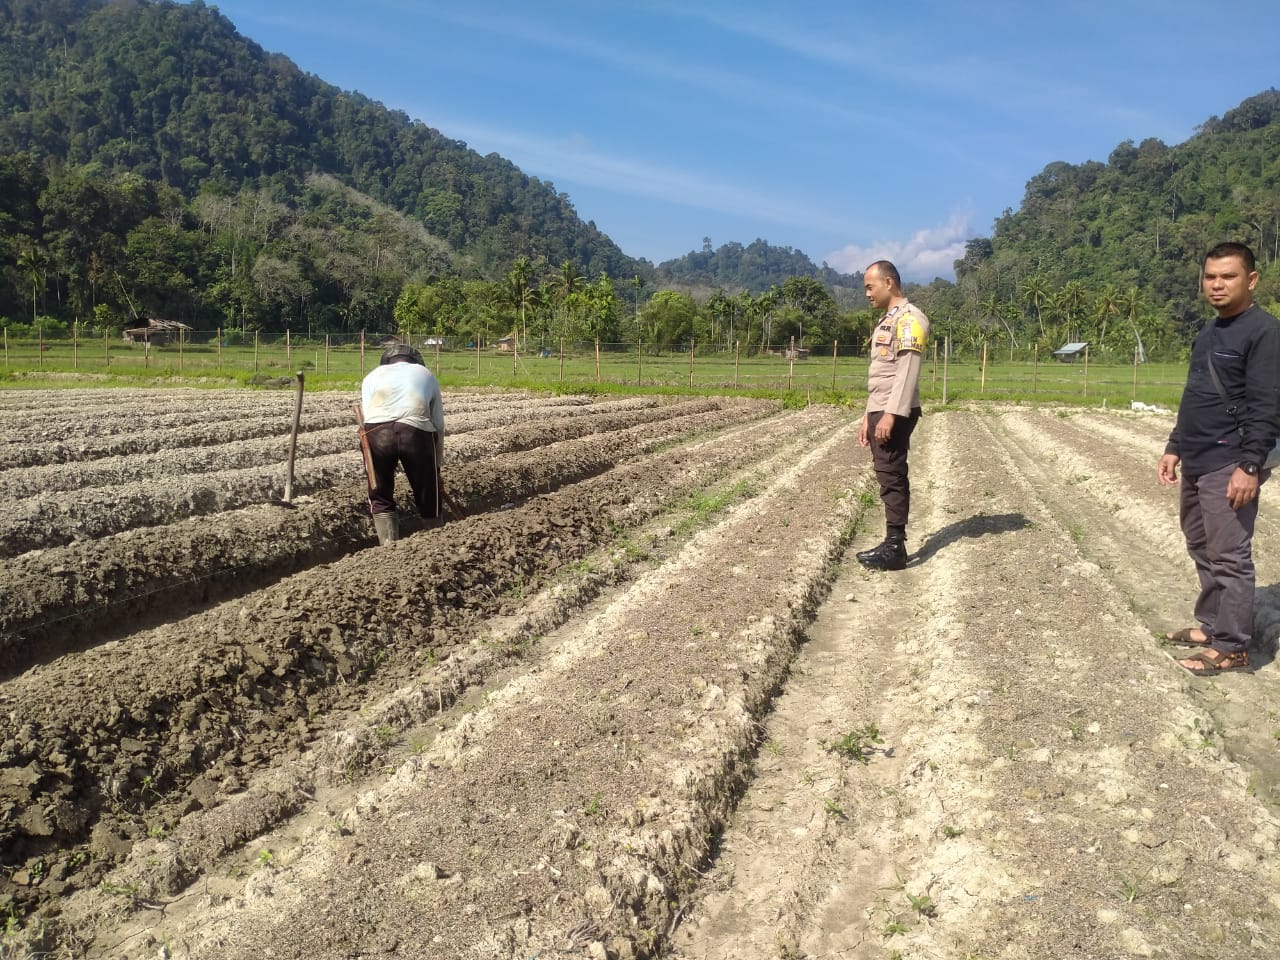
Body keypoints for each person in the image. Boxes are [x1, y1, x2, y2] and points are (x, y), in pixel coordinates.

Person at [1159, 242, 1280, 674]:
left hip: (1230, 462)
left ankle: (1232, 647)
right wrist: (1175, 445)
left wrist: (1250, 465)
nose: (1216, 284)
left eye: (1227, 277)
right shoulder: (1208, 333)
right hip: (1196, 456)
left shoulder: (1264, 332)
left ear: (1250, 281)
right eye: (1210, 276)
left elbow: (1268, 405)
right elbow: (1195, 396)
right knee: (1200, 544)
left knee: (1229, 554)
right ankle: (1213, 625)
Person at [856, 260, 930, 571]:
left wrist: (889, 415)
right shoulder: (889, 320)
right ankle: (892, 540)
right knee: (887, 473)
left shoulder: (911, 319)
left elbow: (907, 370)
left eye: (870, 287)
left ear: (889, 283)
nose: (867, 294)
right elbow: (881, 374)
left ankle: (895, 546)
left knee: (892, 474)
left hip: (893, 410)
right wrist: (868, 415)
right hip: (881, 407)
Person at [359, 341, 446, 544]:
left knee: (379, 492)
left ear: (387, 361)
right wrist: (437, 466)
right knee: (427, 490)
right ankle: (435, 540)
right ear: (414, 360)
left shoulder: (371, 376)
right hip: (415, 432)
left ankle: (388, 546)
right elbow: (439, 424)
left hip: (376, 434)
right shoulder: (425, 374)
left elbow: (367, 417)